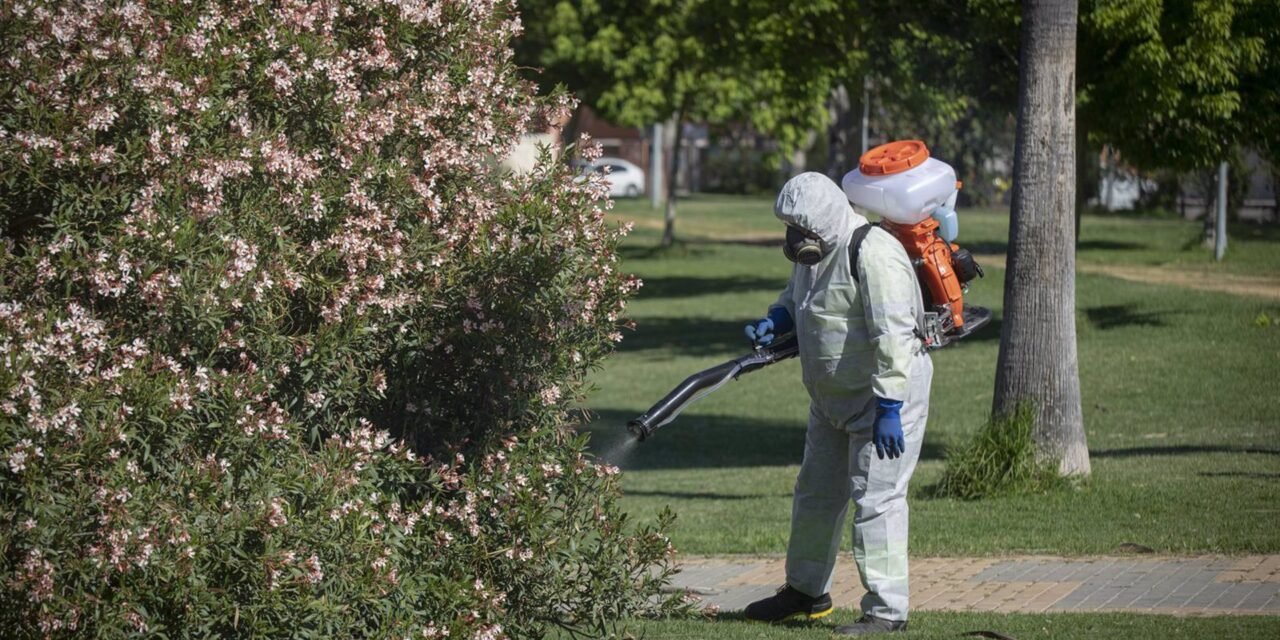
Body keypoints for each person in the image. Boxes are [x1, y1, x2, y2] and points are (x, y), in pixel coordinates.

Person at [742, 172, 932, 636]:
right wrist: (777, 319)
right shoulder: (814, 253)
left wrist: (889, 406)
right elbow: (798, 300)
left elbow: (895, 337)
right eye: (789, 226)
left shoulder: (872, 251)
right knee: (816, 496)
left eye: (801, 227)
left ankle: (887, 612)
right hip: (831, 403)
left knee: (878, 502)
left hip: (883, 402)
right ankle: (806, 592)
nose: (794, 239)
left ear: (826, 218)